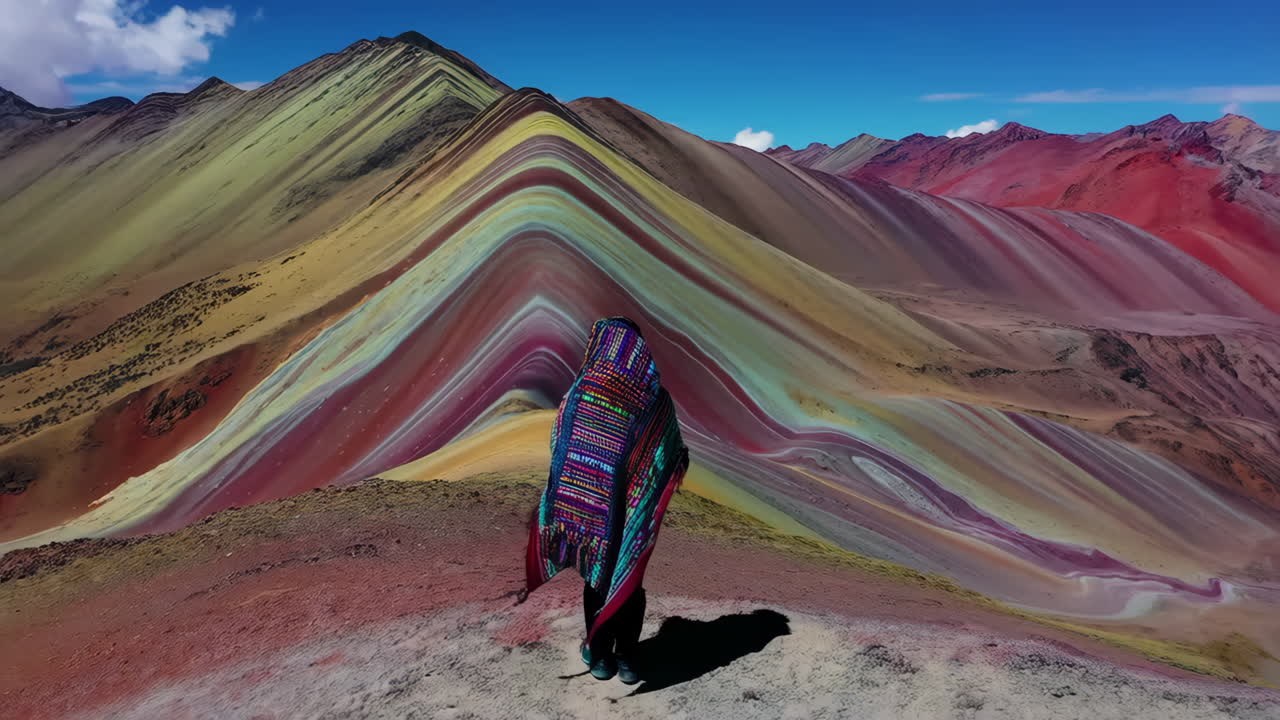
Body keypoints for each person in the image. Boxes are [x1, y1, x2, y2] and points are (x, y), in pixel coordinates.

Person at [521, 316, 689, 683]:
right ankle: (627, 659)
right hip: (631, 510)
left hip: (587, 512)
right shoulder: (655, 401)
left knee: (597, 576)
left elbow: (559, 447)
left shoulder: (580, 394)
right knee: (630, 576)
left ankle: (599, 658)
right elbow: (668, 454)